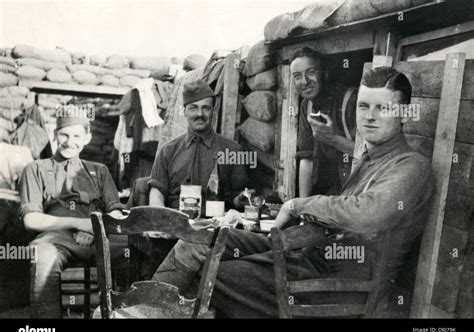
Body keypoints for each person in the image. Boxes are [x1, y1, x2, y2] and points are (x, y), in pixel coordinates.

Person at [151, 67, 434, 318]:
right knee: (201, 239)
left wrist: (297, 205)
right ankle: (144, 307)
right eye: (363, 106)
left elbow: (368, 214)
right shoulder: (368, 161)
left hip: (341, 282)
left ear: (404, 114)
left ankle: (153, 310)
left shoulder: (411, 167)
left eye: (382, 109)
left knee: (214, 273)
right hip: (310, 255)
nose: (369, 117)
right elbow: (337, 212)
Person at [20, 115, 124, 318]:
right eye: (64, 135)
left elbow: (116, 212)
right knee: (42, 255)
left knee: (132, 250)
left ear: (87, 138)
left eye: (77, 135)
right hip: (57, 239)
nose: (70, 141)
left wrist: (95, 231)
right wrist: (81, 224)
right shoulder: (35, 169)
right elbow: (30, 220)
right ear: (54, 135)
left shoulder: (100, 171)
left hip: (100, 238)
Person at [148, 79, 250, 212]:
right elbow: (157, 193)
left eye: (205, 108)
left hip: (216, 224)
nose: (199, 114)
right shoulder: (168, 150)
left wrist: (241, 199)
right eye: (193, 108)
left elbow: (238, 199)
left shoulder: (233, 150)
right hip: (177, 224)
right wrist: (162, 223)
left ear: (213, 112)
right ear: (184, 111)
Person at [290, 47, 358, 196]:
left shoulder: (351, 100)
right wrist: (304, 206)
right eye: (297, 76)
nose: (305, 81)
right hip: (333, 192)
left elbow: (371, 154)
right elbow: (307, 159)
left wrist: (334, 140)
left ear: (325, 73)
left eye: (311, 72)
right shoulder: (306, 106)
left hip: (361, 189)